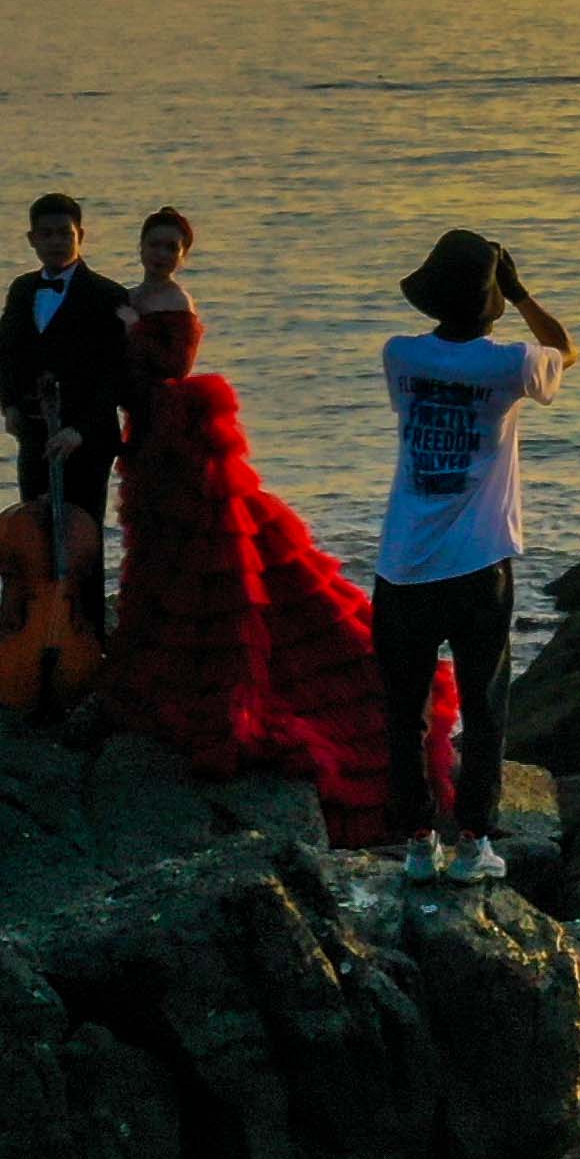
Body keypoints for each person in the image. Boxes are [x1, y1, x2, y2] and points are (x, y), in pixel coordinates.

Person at [107, 210, 407, 843]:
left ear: (183, 255)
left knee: (210, 551)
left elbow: (169, 369)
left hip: (176, 434)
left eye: (172, 247)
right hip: (147, 438)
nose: (162, 254)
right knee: (164, 553)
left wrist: (131, 330)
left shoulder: (170, 304)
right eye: (154, 245)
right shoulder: (127, 297)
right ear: (139, 247)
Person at [373, 229, 577, 883]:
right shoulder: (508, 365)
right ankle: (472, 842)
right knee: (484, 705)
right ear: (489, 297)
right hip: (478, 561)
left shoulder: (399, 354)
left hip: (402, 561)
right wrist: (519, 293)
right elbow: (565, 350)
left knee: (405, 711)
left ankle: (414, 840)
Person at [0, 192, 134, 631]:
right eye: (46, 234)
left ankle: (86, 631)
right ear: (32, 239)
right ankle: (36, 626)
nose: (55, 242)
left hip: (86, 438)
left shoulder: (108, 294)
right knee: (34, 529)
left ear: (81, 236)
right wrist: (9, 405)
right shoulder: (23, 288)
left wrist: (79, 431)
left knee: (82, 534)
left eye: (64, 234)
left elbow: (116, 374)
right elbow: (2, 351)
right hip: (35, 430)